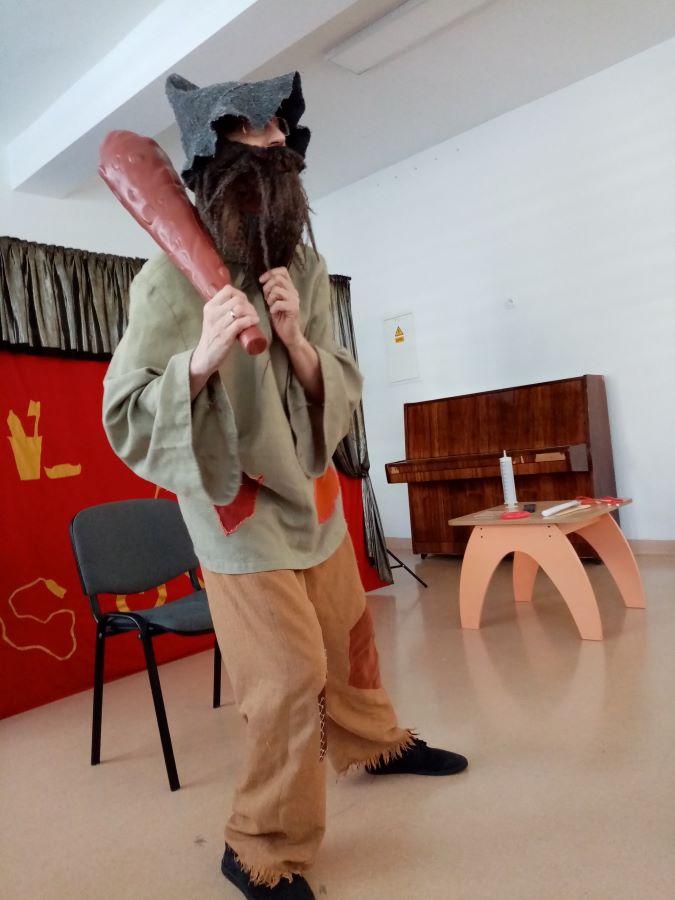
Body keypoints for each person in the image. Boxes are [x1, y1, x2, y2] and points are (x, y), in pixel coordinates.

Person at [103, 70, 468, 900]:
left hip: (310, 492)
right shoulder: (164, 282)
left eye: (282, 149)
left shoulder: (303, 265)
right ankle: (258, 845)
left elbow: (331, 378)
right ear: (215, 173)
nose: (274, 162)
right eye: (254, 150)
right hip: (238, 512)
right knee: (288, 678)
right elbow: (125, 412)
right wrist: (200, 357)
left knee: (348, 635)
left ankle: (374, 742)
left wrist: (299, 341)